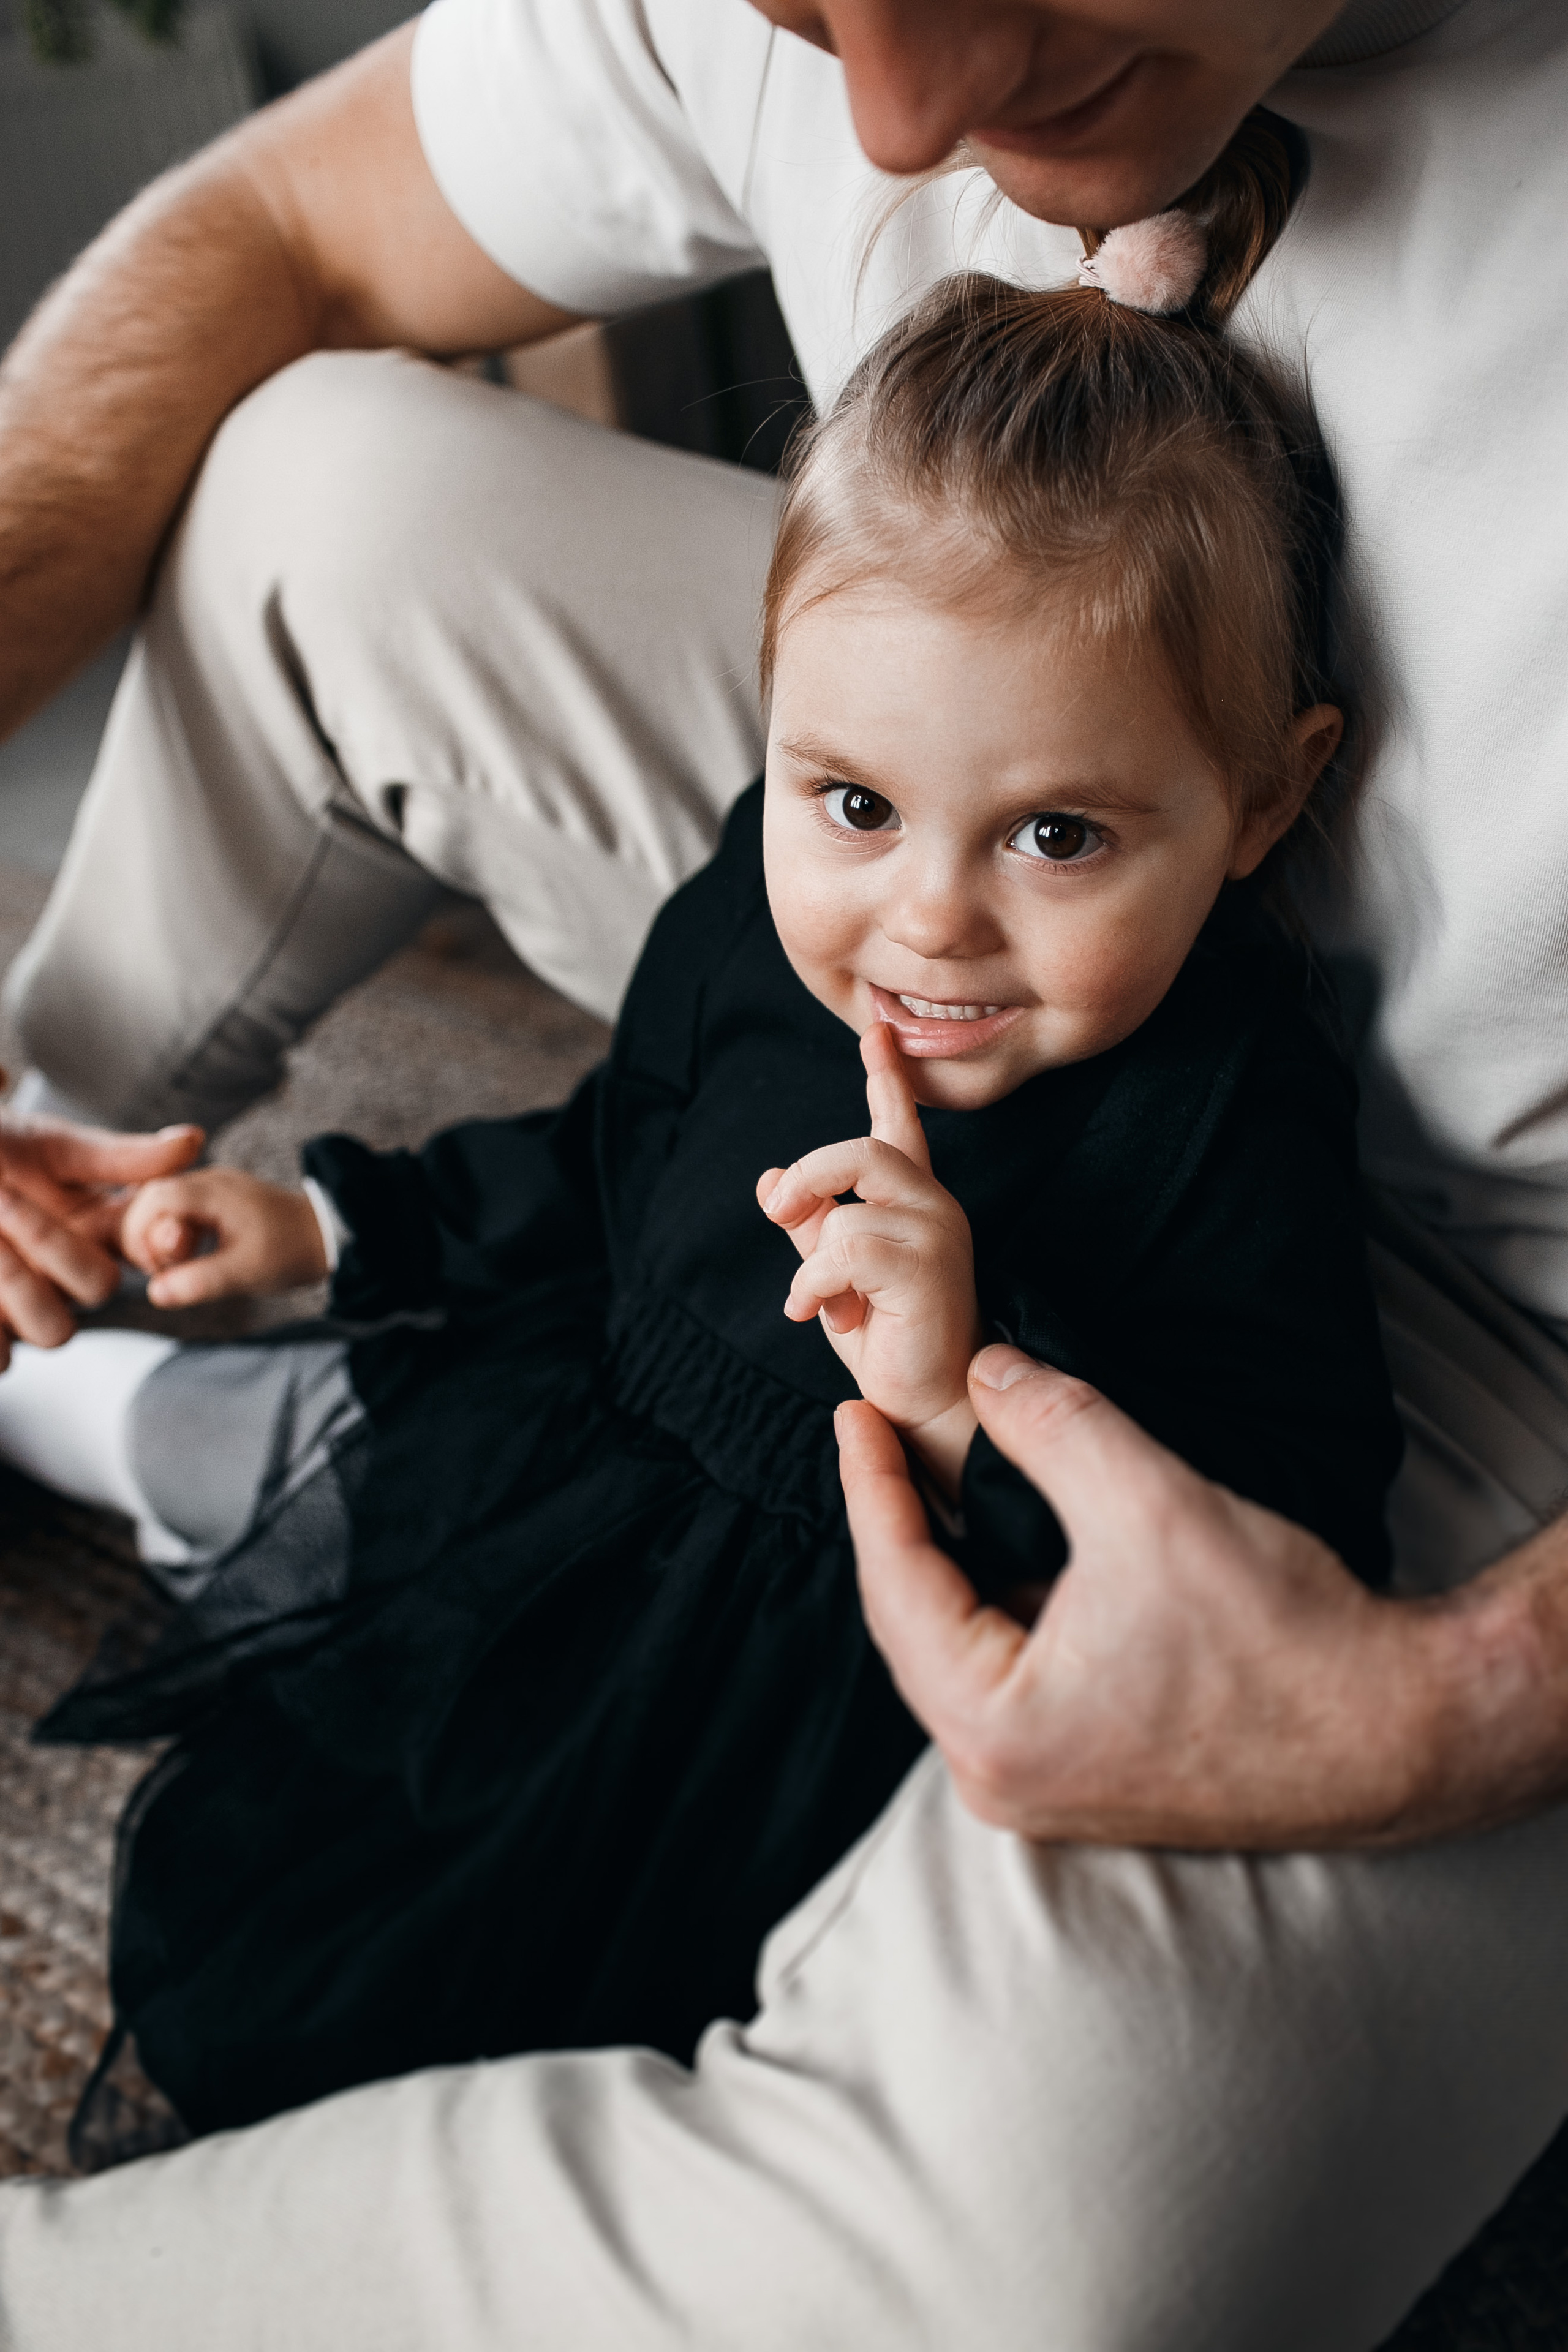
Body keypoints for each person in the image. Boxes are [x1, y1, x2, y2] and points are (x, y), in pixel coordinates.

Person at [5, 1, 1568, 2344]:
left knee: (1054, 2245)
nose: (895, 122)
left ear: (1276, 800)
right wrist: (332, 1228)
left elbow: (1253, 1496)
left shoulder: (1200, 1124)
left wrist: (1443, 1689)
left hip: (1424, 1350)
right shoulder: (805, 901)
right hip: (930, 806)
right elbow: (637, 1146)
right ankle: (96, 1307)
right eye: (802, 4)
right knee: (322, 472)